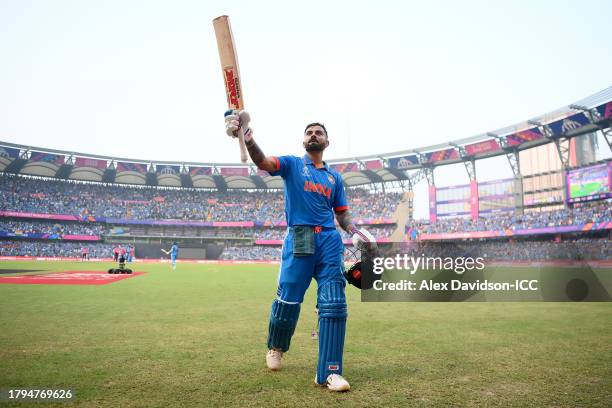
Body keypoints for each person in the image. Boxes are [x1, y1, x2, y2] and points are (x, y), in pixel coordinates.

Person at [225, 110, 376, 392]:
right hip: (300, 238)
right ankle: (276, 347)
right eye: (309, 132)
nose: (313, 135)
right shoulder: (293, 165)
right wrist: (247, 136)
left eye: (318, 132)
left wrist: (354, 232)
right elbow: (263, 161)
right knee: (288, 300)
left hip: (330, 241)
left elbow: (342, 214)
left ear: (327, 142)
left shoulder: (335, 178)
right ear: (303, 140)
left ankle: (330, 372)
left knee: (334, 302)